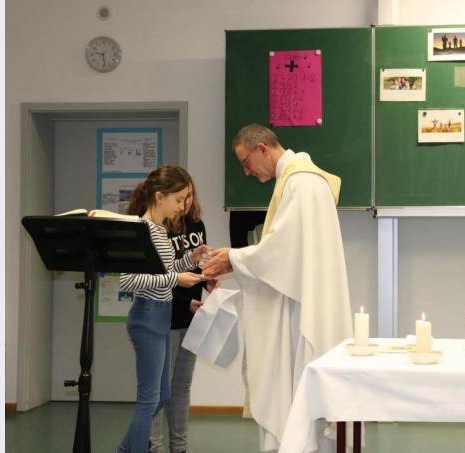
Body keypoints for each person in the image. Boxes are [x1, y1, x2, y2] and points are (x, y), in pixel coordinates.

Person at [202, 124, 352, 452]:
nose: (246, 171)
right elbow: (285, 252)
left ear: (262, 149)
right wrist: (237, 260)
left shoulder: (301, 183)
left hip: (303, 307)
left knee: (296, 388)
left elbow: (281, 250)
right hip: (302, 297)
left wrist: (235, 258)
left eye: (245, 162)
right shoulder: (299, 180)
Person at [114, 165, 209, 453]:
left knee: (163, 394)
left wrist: (189, 260)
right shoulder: (141, 230)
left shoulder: (159, 229)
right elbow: (127, 280)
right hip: (146, 317)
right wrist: (175, 278)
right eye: (179, 200)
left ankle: (123, 449)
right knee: (149, 399)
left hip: (161, 316)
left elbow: (164, 272)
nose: (183, 206)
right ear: (159, 197)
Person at [149, 175, 213, 453]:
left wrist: (209, 279)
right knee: (160, 390)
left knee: (182, 388)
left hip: (192, 318)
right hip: (167, 316)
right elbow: (161, 275)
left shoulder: (197, 225)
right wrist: (184, 301)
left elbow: (196, 268)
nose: (185, 204)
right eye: (180, 198)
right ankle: (154, 446)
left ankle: (180, 448)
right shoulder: (160, 228)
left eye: (189, 197)